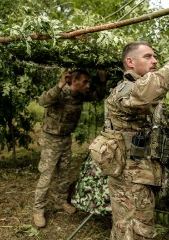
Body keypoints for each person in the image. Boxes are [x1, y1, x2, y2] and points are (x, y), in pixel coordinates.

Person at [104, 17, 169, 239]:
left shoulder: (144, 95)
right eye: (148, 56)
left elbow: (158, 126)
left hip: (143, 174)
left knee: (131, 229)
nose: (155, 60)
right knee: (135, 232)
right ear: (131, 62)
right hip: (129, 178)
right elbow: (147, 92)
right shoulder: (126, 90)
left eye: (155, 56)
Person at [33, 69, 106, 228]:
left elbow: (98, 96)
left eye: (88, 82)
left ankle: (60, 201)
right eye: (85, 82)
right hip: (51, 138)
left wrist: (101, 80)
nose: (88, 85)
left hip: (65, 138)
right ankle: (38, 210)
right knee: (47, 174)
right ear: (74, 81)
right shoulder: (60, 92)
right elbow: (43, 101)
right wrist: (61, 83)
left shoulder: (80, 95)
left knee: (64, 172)